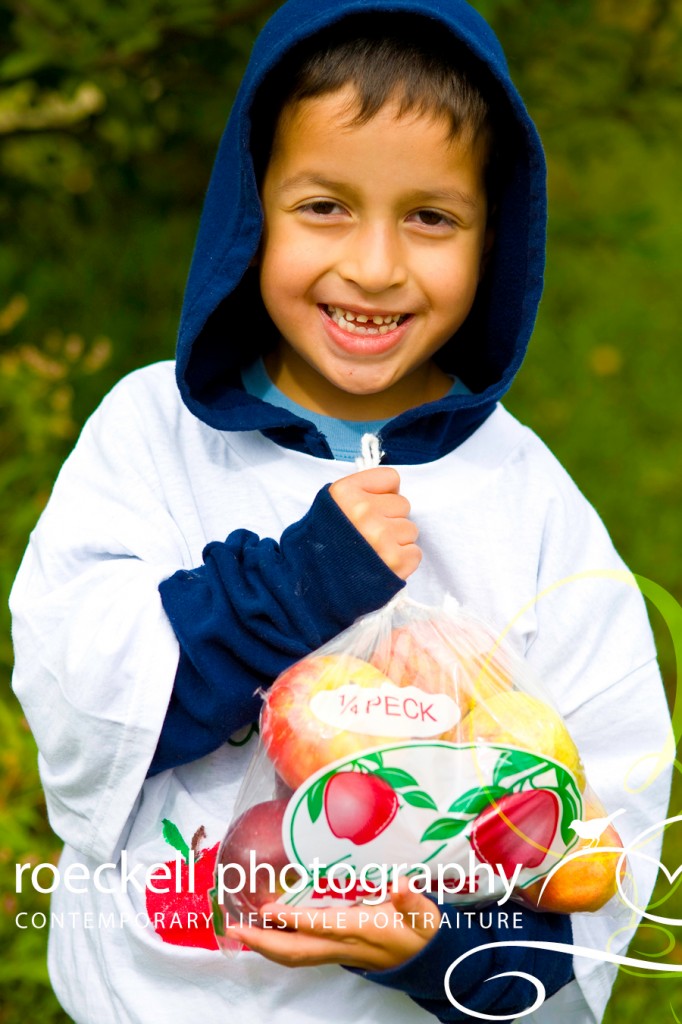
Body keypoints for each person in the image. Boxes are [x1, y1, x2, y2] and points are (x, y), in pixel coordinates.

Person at [9, 0, 672, 1022]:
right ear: (252, 209)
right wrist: (292, 590)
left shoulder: (521, 493)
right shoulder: (152, 433)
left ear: (493, 235)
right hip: (152, 998)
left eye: (430, 217)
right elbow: (78, 688)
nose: (372, 266)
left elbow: (606, 787)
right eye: (323, 206)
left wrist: (448, 943)